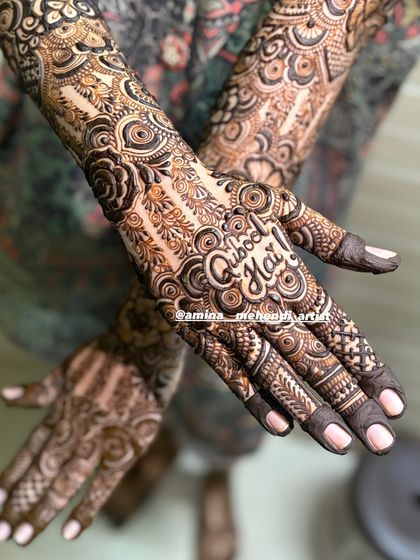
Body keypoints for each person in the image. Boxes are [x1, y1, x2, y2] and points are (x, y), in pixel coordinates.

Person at [0, 1, 418, 557]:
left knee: (251, 370)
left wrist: (146, 328)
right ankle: (162, 448)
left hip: (294, 122)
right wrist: (165, 204)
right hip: (81, 109)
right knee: (97, 315)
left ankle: (214, 472)